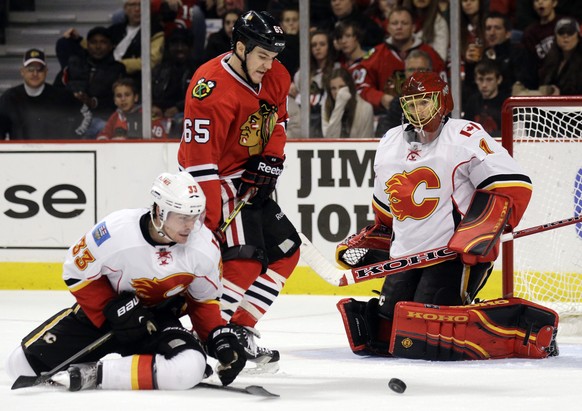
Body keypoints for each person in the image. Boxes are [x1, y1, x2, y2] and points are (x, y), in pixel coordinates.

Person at [335, 72, 558, 361]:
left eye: (424, 102)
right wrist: (379, 236)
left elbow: (513, 183)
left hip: (453, 256)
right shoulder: (390, 140)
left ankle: (517, 329)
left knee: (425, 330)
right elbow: (386, 206)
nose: (417, 111)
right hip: (408, 255)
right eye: (411, 104)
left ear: (443, 100)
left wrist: (480, 232)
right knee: (388, 331)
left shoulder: (465, 136)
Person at [5, 172, 248, 390]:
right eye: (183, 217)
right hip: (103, 316)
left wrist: (217, 336)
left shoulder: (204, 247)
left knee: (190, 367)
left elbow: (204, 301)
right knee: (20, 366)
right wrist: (110, 308)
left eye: (195, 216)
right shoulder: (116, 230)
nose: (191, 225)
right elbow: (74, 269)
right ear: (160, 211)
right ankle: (149, 368)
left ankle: (95, 375)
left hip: (155, 322)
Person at [178, 11, 301, 369]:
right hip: (213, 180)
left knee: (286, 252)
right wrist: (209, 223)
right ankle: (210, 338)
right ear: (241, 47)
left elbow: (277, 121)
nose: (269, 65)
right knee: (246, 257)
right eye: (262, 56)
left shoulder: (276, 74)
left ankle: (239, 330)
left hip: (250, 176)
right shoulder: (210, 89)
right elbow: (200, 165)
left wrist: (271, 162)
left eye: (273, 56)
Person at [355, 6, 445, 136]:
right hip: (385, 115)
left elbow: (443, 87)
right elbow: (361, 87)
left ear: (413, 27)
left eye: (404, 23)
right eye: (395, 23)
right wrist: (381, 98)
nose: (399, 27)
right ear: (388, 27)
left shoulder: (430, 54)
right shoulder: (375, 55)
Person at [0, 48, 92, 140]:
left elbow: (86, 115)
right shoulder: (9, 98)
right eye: (30, 69)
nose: (35, 73)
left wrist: (72, 137)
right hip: (19, 153)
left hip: (53, 152)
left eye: (40, 69)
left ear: (46, 71)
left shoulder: (61, 96)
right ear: (22, 71)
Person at [54, 26, 127, 138]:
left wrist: (92, 102)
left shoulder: (118, 69)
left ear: (112, 45)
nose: (98, 46)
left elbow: (119, 100)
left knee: (104, 128)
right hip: (71, 118)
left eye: (103, 42)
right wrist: (71, 98)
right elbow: (57, 90)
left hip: (101, 119)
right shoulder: (74, 64)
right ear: (87, 45)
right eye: (93, 42)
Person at [152, 27, 200, 138]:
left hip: (185, 113)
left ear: (190, 47)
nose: (179, 49)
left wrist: (178, 108)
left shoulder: (198, 70)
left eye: (184, 45)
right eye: (175, 45)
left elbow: (199, 97)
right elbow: (146, 93)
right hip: (159, 113)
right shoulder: (158, 69)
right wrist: (154, 106)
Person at [290, 28, 339, 138]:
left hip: (329, 118)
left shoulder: (337, 70)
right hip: (303, 118)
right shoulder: (301, 73)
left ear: (329, 47)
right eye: (314, 45)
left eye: (322, 44)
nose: (318, 48)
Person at [374, 49, 433, 136]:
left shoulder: (441, 100)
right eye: (411, 69)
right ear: (405, 73)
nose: (415, 74)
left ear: (430, 72)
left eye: (421, 69)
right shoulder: (397, 104)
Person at [108, 0, 165, 90]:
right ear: (125, 8)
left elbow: (153, 61)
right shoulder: (114, 30)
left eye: (141, 5)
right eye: (132, 5)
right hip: (110, 79)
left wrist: (119, 65)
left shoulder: (155, 31)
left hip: (137, 81)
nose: (137, 9)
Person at [97, 78, 168, 139]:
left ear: (136, 97)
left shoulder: (146, 114)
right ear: (115, 100)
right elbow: (104, 135)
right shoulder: (115, 116)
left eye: (127, 95)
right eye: (119, 96)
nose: (123, 99)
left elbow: (160, 138)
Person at [321, 66, 374, 138]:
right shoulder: (326, 106)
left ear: (349, 87)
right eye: (333, 88)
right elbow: (329, 139)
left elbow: (366, 142)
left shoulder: (366, 108)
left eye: (341, 87)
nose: (338, 92)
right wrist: (339, 106)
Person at [463, 60, 510, 136]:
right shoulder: (472, 102)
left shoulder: (507, 104)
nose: (484, 85)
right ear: (475, 79)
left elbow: (516, 134)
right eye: (481, 79)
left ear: (499, 80)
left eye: (489, 79)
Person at [538, 16, 582, 96]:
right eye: (561, 32)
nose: (565, 36)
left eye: (570, 32)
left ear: (578, 36)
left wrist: (561, 95)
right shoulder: (550, 61)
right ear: (556, 37)